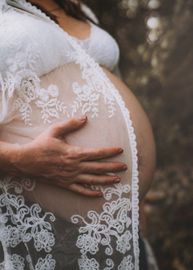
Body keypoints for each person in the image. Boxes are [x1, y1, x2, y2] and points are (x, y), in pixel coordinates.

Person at [0, 0, 156, 269]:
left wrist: (134, 196)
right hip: (38, 219)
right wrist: (19, 158)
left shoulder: (76, 7)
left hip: (119, 226)